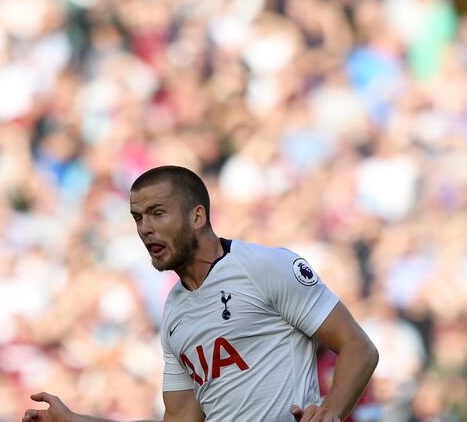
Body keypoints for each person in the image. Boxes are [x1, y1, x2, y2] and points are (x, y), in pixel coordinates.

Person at [23, 165, 378, 422]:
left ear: (197, 216)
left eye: (157, 213)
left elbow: (359, 347)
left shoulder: (265, 267)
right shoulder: (174, 314)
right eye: (137, 218)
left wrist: (330, 412)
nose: (145, 229)